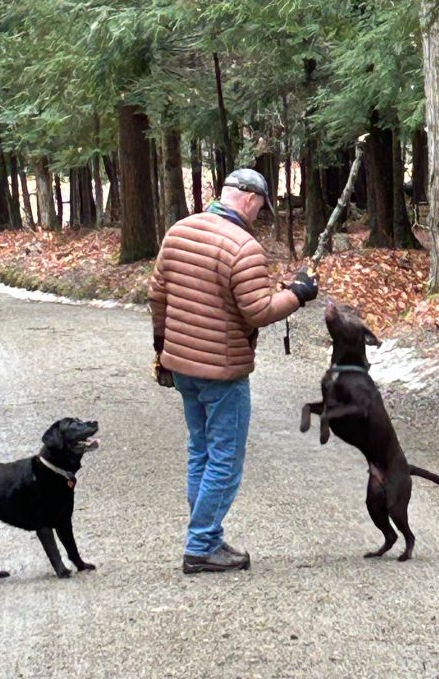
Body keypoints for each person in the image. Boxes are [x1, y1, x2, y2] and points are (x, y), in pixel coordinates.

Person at [148, 167, 319, 574]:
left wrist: (162, 346)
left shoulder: (180, 232)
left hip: (182, 366)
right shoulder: (243, 247)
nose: (259, 214)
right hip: (223, 372)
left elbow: (156, 295)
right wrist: (297, 294)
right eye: (261, 206)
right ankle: (202, 544)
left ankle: (206, 535)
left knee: (200, 451)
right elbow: (258, 311)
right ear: (247, 198)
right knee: (224, 458)